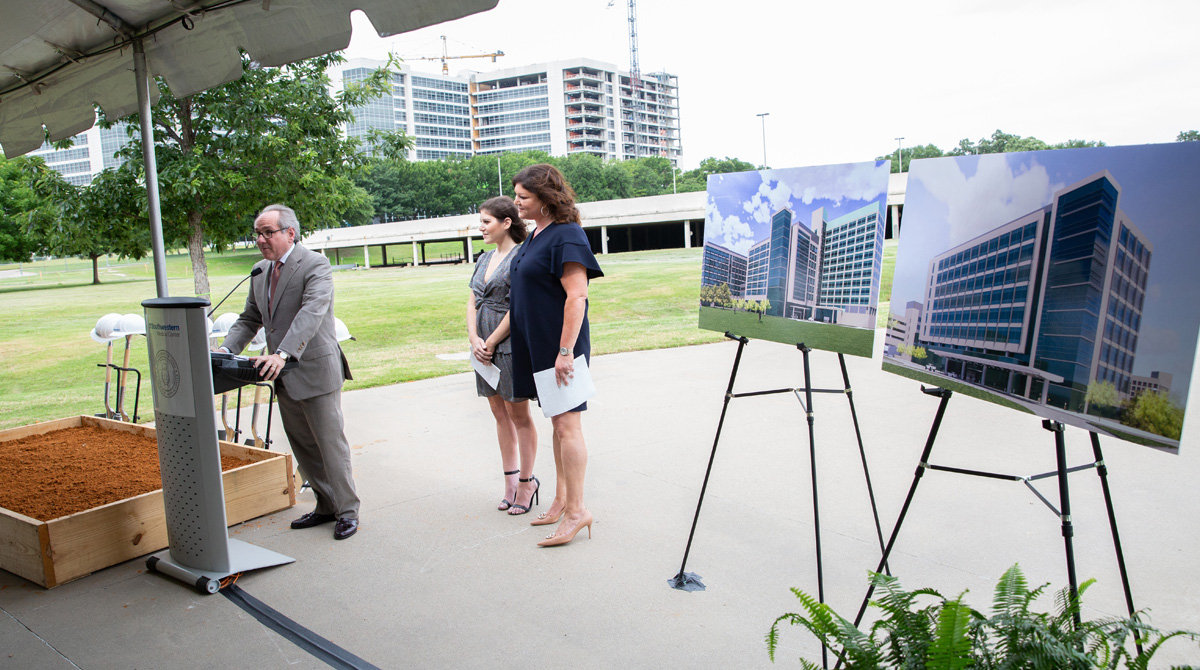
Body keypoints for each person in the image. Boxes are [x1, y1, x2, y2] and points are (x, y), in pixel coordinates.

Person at [220, 204, 361, 540]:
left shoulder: (316, 264)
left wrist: (282, 353)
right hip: (281, 376)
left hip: (314, 369)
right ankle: (325, 505)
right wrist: (226, 350)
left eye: (268, 232)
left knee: (330, 445)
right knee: (304, 446)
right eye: (258, 233)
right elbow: (249, 318)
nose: (261, 239)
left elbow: (312, 312)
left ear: (290, 233)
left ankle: (347, 511)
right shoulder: (260, 271)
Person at [508, 164, 604, 547]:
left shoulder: (567, 235)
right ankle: (563, 499)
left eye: (524, 197)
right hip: (539, 345)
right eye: (516, 196)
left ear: (545, 200)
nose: (516, 203)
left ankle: (579, 511)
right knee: (557, 425)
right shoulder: (536, 235)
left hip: (560, 348)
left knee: (568, 426)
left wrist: (565, 352)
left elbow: (577, 296)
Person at [467, 196, 539, 515]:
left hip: (507, 346)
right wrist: (474, 339)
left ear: (506, 223)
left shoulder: (520, 258)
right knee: (498, 415)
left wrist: (492, 341)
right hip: (482, 348)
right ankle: (509, 482)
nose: (480, 227)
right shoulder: (483, 258)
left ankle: (527, 482)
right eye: (480, 221)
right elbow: (472, 302)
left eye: (486, 221)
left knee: (518, 416)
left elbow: (518, 307)